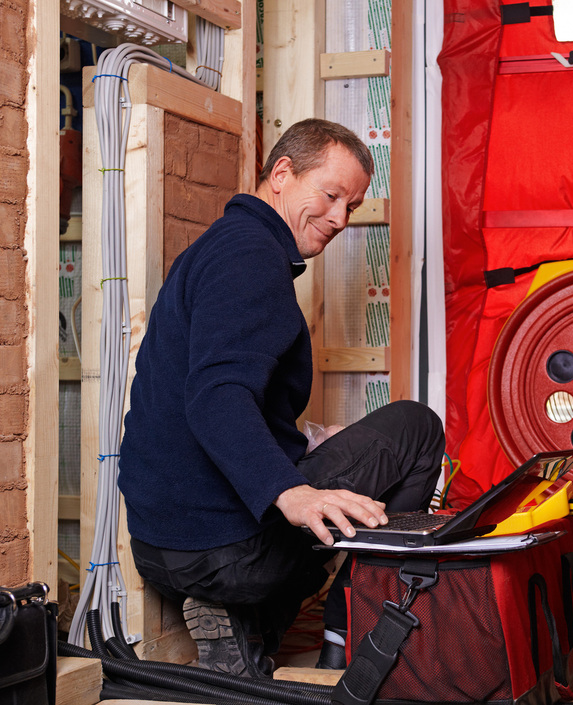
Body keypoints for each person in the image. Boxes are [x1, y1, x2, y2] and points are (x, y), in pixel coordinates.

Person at [118, 118, 445, 678]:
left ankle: (249, 626)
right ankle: (352, 628)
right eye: (332, 195)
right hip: (228, 553)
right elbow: (218, 395)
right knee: (416, 426)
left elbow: (228, 395)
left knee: (333, 458)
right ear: (283, 174)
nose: (341, 218)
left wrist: (314, 444)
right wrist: (292, 492)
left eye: (354, 206)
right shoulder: (252, 258)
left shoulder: (223, 248)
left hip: (161, 547)